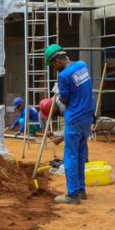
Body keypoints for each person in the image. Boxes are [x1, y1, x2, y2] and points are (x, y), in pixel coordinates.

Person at [46, 44, 94, 205]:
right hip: (87, 117)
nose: (54, 68)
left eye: (52, 64)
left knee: (71, 156)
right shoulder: (82, 65)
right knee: (81, 154)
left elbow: (64, 100)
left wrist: (59, 96)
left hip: (74, 118)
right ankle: (81, 190)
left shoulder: (63, 76)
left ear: (57, 60)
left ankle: (73, 194)